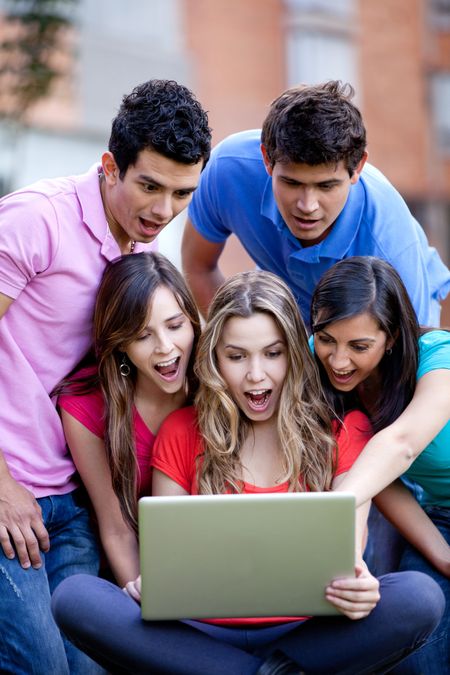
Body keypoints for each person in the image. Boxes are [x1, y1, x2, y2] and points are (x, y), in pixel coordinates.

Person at [52, 271, 444, 675]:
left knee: (419, 597)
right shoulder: (182, 431)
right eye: (236, 356)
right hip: (197, 635)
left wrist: (358, 587)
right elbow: (167, 561)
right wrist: (147, 586)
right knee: (75, 597)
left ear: (294, 353)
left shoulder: (343, 430)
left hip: (310, 633)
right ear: (214, 359)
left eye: (272, 354)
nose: (256, 375)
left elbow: (350, 547)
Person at [0, 79, 210, 674]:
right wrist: (2, 484)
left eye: (181, 194)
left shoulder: (138, 255)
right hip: (10, 489)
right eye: (149, 186)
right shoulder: (35, 221)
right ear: (110, 166)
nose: (163, 211)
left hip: (70, 494)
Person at [181, 80, 450, 326]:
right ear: (266, 159)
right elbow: (199, 267)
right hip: (291, 309)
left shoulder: (389, 241)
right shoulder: (228, 169)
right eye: (292, 183)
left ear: (357, 168)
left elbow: (411, 357)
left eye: (326, 186)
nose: (307, 206)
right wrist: (241, 343)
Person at [310, 255, 450, 674]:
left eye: (359, 346)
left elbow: (402, 444)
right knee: (417, 649)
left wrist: (330, 508)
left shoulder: (437, 357)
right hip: (440, 515)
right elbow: (383, 484)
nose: (337, 360)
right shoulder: (331, 387)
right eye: (326, 339)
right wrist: (443, 558)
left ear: (390, 339)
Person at [56, 251, 201, 587]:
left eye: (175, 325)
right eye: (142, 335)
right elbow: (117, 530)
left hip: (204, 563)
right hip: (124, 571)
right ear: (121, 344)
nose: (165, 347)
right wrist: (154, 602)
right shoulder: (86, 406)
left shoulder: (214, 384)